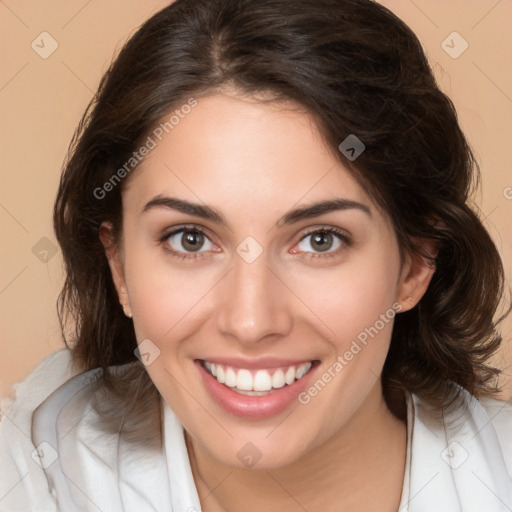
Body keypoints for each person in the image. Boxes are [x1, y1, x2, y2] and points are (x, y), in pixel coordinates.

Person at [1, 0, 511, 510]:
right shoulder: (29, 475)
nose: (250, 322)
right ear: (119, 267)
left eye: (320, 240)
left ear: (414, 265)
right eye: (190, 239)